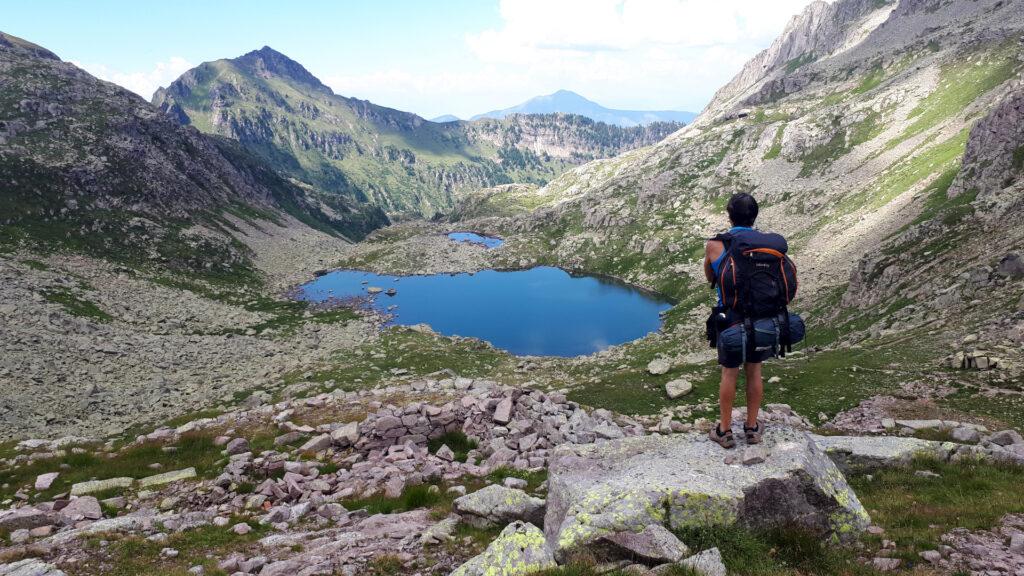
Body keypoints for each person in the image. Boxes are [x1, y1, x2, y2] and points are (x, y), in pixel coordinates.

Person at [703, 193, 769, 449]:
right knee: (754, 371)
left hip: (730, 318)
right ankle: (752, 428)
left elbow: (711, 277)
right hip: (762, 318)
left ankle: (724, 430)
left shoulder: (715, 245)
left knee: (729, 373)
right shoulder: (766, 243)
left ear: (729, 216)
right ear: (754, 216)